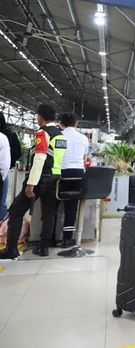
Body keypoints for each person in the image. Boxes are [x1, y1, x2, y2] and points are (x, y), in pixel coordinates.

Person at [0, 104, 67, 259]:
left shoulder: (43, 132)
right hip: (56, 178)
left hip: (40, 177)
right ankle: (44, 247)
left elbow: (39, 157)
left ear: (40, 116)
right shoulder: (60, 135)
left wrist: (31, 183)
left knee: (15, 211)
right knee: (49, 213)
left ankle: (11, 249)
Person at [58, 113, 90, 248]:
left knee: (54, 205)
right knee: (72, 207)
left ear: (61, 123)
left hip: (62, 172)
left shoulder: (59, 137)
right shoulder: (83, 138)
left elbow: (57, 155)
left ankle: (52, 238)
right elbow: (84, 157)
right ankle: (67, 239)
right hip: (78, 172)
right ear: (76, 123)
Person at [0, 111, 21, 219]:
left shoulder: (7, 136)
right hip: (5, 171)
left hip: (5, 170)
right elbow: (18, 152)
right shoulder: (10, 135)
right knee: (2, 201)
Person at [0, 131, 9, 218]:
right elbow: (5, 164)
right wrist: (2, 177)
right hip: (1, 173)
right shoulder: (2, 138)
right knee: (1, 203)